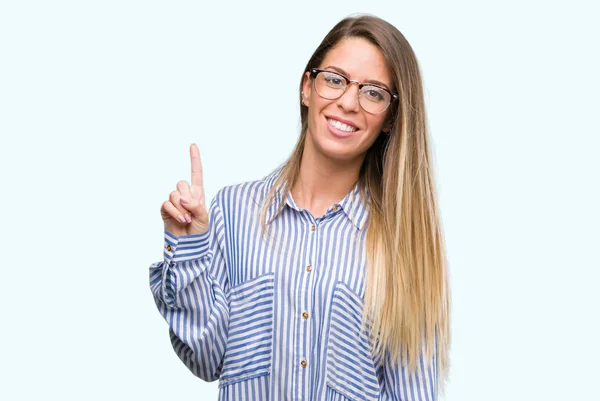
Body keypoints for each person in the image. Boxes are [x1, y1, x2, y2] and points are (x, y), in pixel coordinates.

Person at [149, 14, 450, 401]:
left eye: (373, 92)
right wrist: (188, 247)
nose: (347, 102)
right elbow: (206, 359)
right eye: (335, 79)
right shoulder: (234, 211)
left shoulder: (402, 243)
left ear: (390, 117)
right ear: (307, 88)